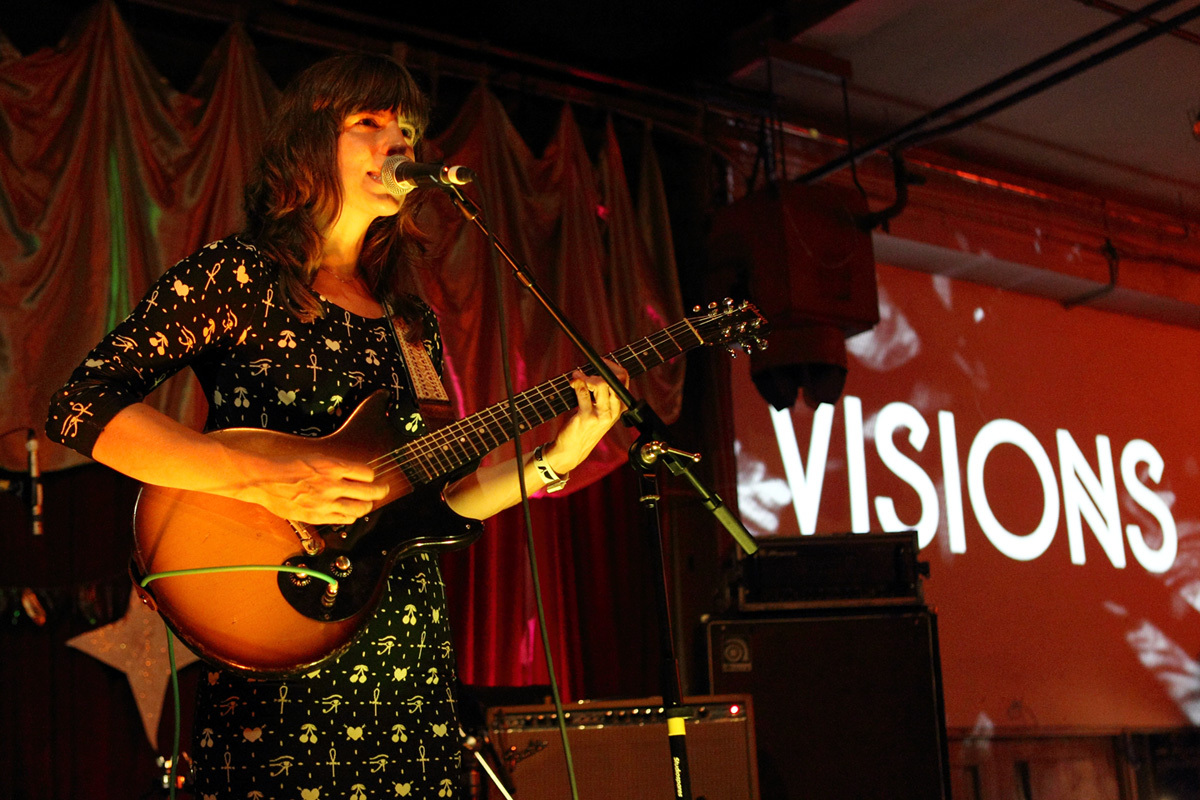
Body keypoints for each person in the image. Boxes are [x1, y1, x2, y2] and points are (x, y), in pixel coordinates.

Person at [46, 53, 625, 798]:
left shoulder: (409, 320)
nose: (399, 145)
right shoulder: (239, 275)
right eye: (370, 123)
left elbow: (433, 503)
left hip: (406, 654)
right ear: (309, 141)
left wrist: (555, 458)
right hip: (281, 635)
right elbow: (82, 405)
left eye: (409, 132)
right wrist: (265, 480)